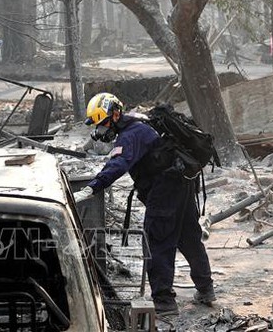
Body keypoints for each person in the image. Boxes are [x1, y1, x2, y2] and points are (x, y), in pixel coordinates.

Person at [73, 93, 216, 315]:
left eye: (103, 123)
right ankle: (206, 288)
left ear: (116, 114)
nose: (101, 130)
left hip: (165, 189)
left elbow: (119, 163)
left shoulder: (130, 135)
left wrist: (93, 186)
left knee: (157, 241)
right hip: (182, 183)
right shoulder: (141, 121)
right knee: (189, 236)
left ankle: (163, 302)